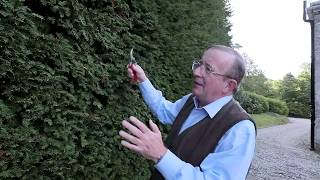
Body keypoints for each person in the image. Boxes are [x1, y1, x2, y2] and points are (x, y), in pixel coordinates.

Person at [119, 45, 256, 180]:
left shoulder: (240, 128)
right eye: (199, 64)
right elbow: (164, 111)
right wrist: (143, 81)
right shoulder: (192, 100)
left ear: (229, 85)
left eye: (208, 69)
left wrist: (161, 154)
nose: (196, 72)